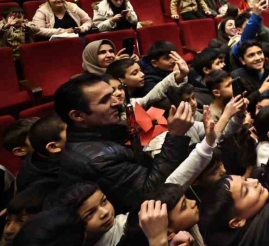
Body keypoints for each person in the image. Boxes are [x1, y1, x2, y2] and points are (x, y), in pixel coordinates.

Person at [54, 73, 193, 213]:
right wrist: (176, 136)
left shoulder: (105, 129)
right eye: (105, 100)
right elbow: (150, 193)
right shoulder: (98, 160)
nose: (117, 102)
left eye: (113, 94)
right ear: (78, 116)